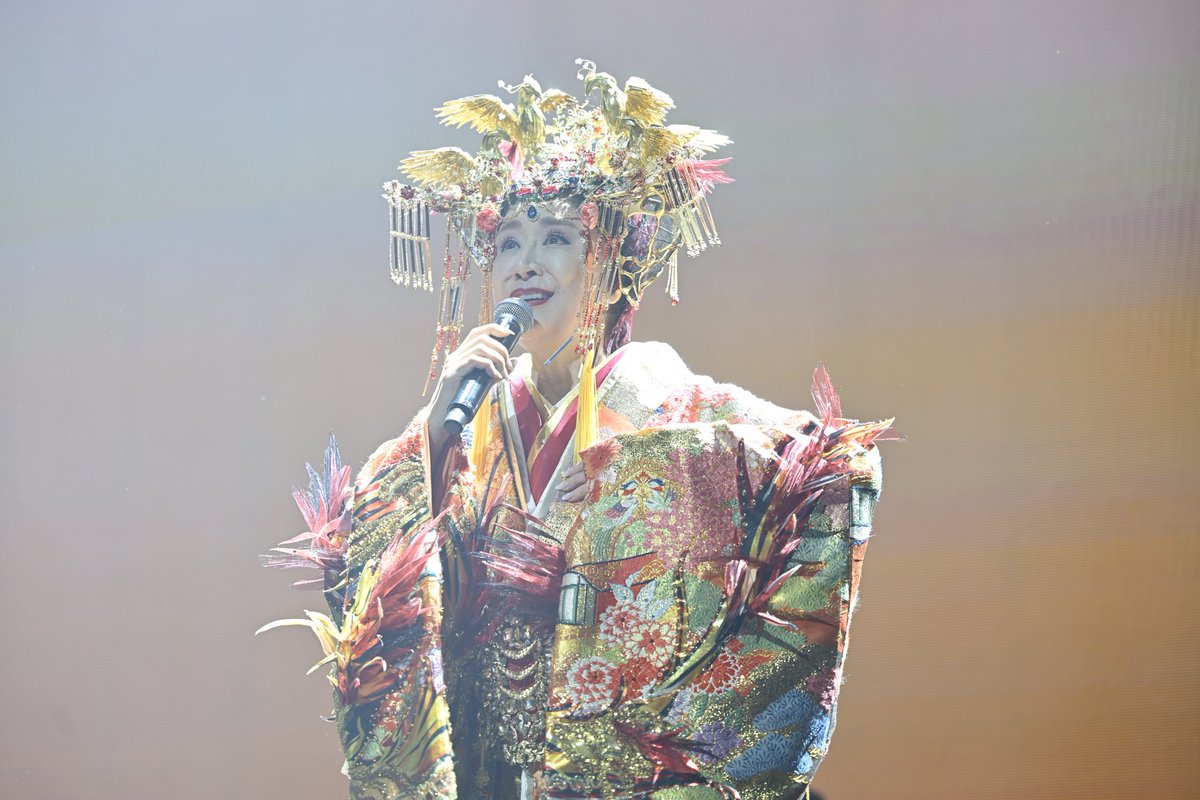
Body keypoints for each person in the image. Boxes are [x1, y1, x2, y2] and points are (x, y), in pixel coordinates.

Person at [261, 62, 891, 800]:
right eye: (508, 243)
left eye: (557, 237)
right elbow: (376, 592)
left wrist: (626, 511)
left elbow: (839, 474)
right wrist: (433, 448)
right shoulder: (461, 431)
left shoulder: (691, 418)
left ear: (615, 266)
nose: (525, 264)